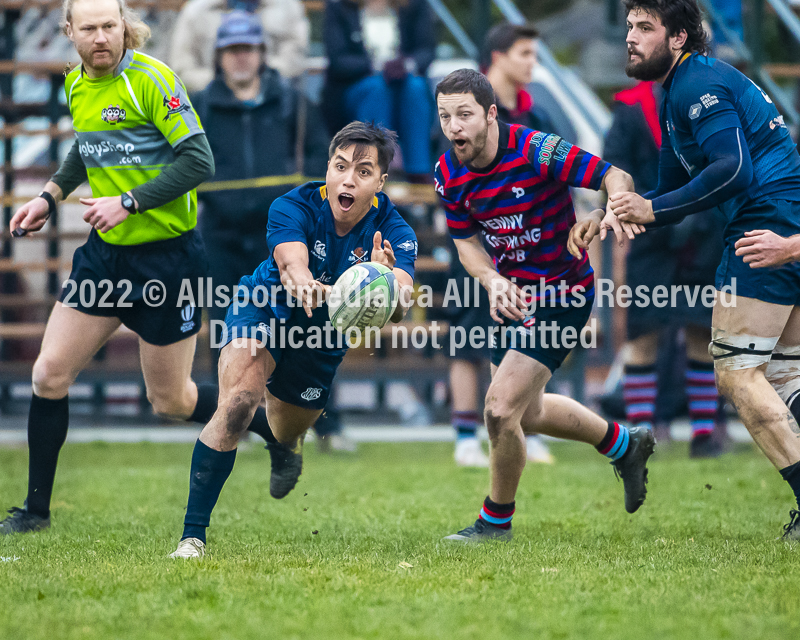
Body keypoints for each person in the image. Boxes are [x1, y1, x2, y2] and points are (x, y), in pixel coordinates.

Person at [0, 0, 277, 537]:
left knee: (171, 401)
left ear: (123, 26)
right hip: (104, 259)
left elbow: (200, 161)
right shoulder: (76, 82)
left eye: (110, 25)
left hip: (167, 262)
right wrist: (49, 196)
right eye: (90, 28)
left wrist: (127, 202)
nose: (102, 36)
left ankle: (270, 428)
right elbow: (87, 146)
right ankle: (35, 511)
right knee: (48, 374)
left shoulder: (153, 79)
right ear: (70, 33)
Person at [170, 122, 417, 558]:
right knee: (239, 401)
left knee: (285, 430)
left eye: (362, 171)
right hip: (266, 304)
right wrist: (303, 280)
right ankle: (192, 537)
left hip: (325, 337)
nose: (347, 179)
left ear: (381, 182)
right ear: (327, 168)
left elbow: (401, 301)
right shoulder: (294, 205)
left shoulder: (395, 231)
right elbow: (292, 263)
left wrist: (383, 283)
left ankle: (284, 446)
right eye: (339, 166)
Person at [433, 69, 655, 543]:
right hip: (511, 298)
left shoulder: (535, 148)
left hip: (563, 293)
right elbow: (465, 243)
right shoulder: (448, 173)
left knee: (497, 409)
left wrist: (607, 209)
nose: (454, 127)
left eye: (465, 115)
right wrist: (491, 280)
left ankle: (494, 523)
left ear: (491, 115)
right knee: (525, 414)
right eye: (445, 116)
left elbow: (614, 176)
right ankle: (625, 445)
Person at [605, 0, 800, 540]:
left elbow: (733, 168)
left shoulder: (697, 84)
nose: (631, 37)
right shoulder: (676, 90)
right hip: (783, 225)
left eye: (645, 27)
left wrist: (654, 209)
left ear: (679, 38)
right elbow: (667, 187)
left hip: (764, 232)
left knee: (737, 375)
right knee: (785, 376)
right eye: (628, 27)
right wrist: (619, 212)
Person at [448, 22, 566, 468]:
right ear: (497, 57)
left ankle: (519, 424)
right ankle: (463, 435)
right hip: (479, 245)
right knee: (467, 335)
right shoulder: (460, 107)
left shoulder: (535, 117)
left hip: (530, 255)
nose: (532, 63)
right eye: (524, 54)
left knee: (523, 337)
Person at [604, 78, 726, 457]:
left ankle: (704, 433)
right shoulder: (630, 110)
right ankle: (641, 434)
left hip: (703, 233)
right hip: (649, 235)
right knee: (642, 337)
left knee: (700, 333)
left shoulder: (713, 103)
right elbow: (614, 168)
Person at [323, 0, 435, 182]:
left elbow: (427, 50)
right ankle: (373, 165)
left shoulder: (415, 5)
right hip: (358, 86)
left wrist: (406, 66)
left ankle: (419, 170)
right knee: (377, 89)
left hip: (403, 84)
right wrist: (376, 67)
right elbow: (338, 60)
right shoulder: (339, 7)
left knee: (416, 87)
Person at [169, 0, 309, 93]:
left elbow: (294, 60)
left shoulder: (288, 7)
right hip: (210, 103)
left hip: (274, 103)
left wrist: (254, 79)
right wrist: (225, 81)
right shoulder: (195, 10)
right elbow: (181, 68)